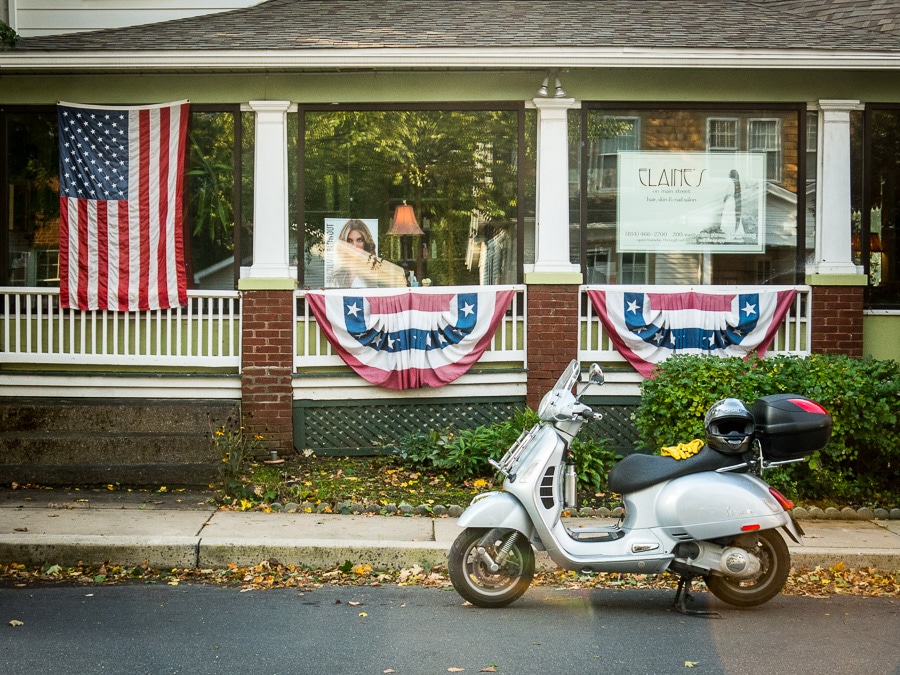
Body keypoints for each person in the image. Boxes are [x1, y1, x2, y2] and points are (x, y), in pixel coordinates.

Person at [331, 219, 377, 287]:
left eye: (359, 240)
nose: (354, 245)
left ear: (366, 243)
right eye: (349, 240)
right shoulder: (336, 277)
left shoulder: (375, 274)